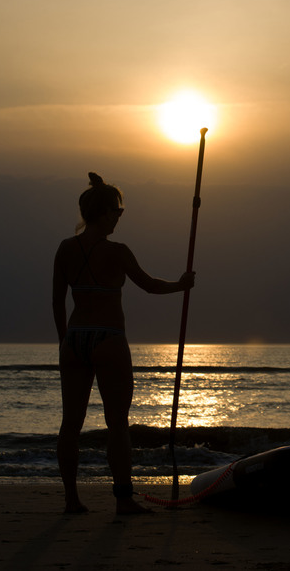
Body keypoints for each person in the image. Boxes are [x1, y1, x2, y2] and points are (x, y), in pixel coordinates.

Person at [52, 172, 194, 514]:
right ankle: (123, 500)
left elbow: (57, 301)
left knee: (71, 423)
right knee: (117, 423)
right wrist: (182, 284)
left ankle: (72, 500)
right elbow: (148, 285)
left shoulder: (66, 249)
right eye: (118, 211)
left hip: (74, 339)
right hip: (108, 339)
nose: (119, 217)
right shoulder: (117, 252)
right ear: (103, 213)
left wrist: (63, 342)